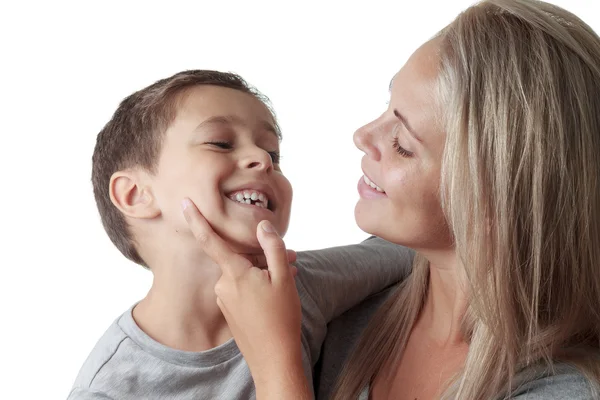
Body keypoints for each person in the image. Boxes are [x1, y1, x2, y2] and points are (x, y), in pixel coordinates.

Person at [196, 1, 600, 399]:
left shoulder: (565, 388)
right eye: (387, 107)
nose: (363, 134)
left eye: (403, 144)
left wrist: (275, 363)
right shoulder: (352, 307)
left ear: (493, 200)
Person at [67, 69, 413, 399]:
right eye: (220, 143)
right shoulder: (110, 390)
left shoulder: (297, 285)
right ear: (135, 195)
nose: (261, 158)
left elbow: (410, 250)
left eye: (273, 154)